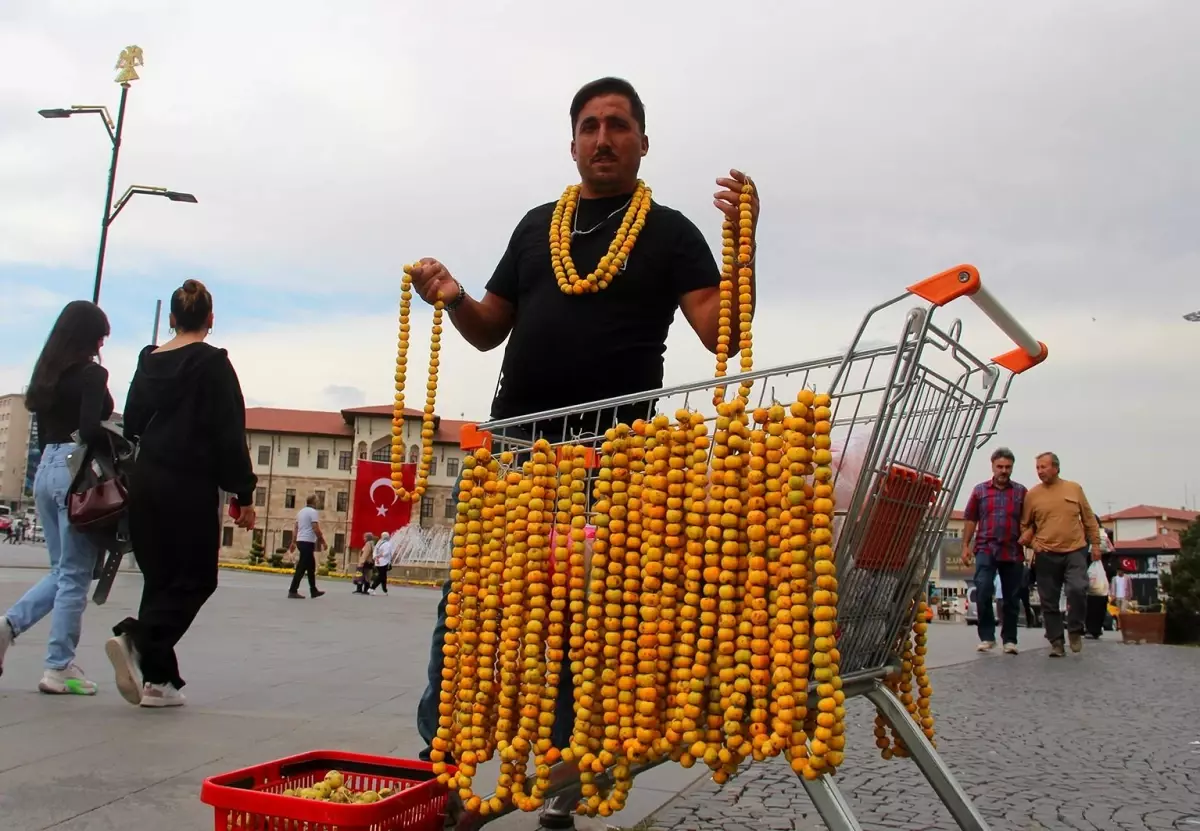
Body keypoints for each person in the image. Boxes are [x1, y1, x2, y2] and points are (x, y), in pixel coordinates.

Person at [406, 77, 760, 829]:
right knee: (468, 611)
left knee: (576, 614)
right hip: (512, 461)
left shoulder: (671, 233)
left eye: (619, 125)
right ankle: (446, 767)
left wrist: (744, 246)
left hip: (607, 468)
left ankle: (564, 767)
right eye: (591, 126)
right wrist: (451, 292)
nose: (604, 138)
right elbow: (488, 327)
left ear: (641, 140)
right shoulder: (538, 227)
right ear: (572, 142)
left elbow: (721, 333)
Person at [105, 280, 257, 708]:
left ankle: (158, 682)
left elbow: (131, 420)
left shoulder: (148, 361)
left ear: (172, 319)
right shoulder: (214, 365)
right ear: (210, 320)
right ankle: (138, 639)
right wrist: (243, 494)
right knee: (196, 580)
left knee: (161, 579)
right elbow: (229, 433)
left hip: (147, 478)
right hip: (189, 482)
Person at [0, 301, 112, 694]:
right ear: (87, 336)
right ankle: (58, 665)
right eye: (100, 335)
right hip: (73, 468)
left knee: (63, 571)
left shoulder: (46, 374)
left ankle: (8, 626)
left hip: (45, 471)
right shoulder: (92, 375)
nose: (102, 342)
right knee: (76, 576)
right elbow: (88, 430)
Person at [1018, 452, 1102, 657]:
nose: (1040, 471)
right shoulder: (1033, 495)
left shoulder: (1074, 488)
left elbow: (1089, 518)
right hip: (1046, 553)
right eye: (1037, 467)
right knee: (1049, 600)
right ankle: (1056, 641)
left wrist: (1097, 544)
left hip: (1075, 549)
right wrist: (1034, 544)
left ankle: (1075, 629)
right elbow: (1024, 525)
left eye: (1043, 467)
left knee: (1078, 588)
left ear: (1056, 468)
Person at [961, 447, 1028, 654]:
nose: (1004, 471)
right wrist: (965, 545)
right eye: (1000, 466)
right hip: (985, 547)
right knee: (982, 590)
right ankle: (987, 636)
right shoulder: (980, 491)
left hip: (1012, 549)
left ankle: (1010, 639)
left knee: (1011, 597)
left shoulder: (1021, 492)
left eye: (1008, 467)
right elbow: (971, 519)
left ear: (1012, 468)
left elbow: (1029, 520)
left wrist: (1029, 537)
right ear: (992, 466)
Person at [287, 495, 326, 599]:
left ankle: (313, 590)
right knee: (301, 567)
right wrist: (323, 541)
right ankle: (292, 590)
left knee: (311, 567)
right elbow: (315, 528)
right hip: (307, 542)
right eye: (317, 501)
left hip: (301, 541)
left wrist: (294, 542)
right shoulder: (313, 512)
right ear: (314, 502)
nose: (318, 503)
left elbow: (296, 528)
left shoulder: (301, 512)